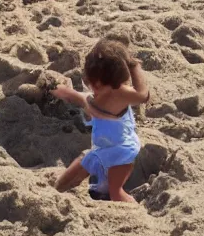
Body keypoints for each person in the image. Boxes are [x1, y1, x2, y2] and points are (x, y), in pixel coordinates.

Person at [51, 39, 150, 203]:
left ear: (115, 83)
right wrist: (54, 88)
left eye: (98, 86)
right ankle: (56, 190)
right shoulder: (108, 93)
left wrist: (134, 66)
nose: (93, 89)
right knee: (81, 165)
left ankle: (138, 212)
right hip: (103, 149)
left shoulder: (120, 95)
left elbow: (143, 96)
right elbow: (77, 97)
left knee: (115, 192)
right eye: (91, 84)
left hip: (122, 152)